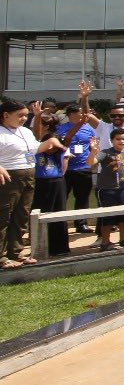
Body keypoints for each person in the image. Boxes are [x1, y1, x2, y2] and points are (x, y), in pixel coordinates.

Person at [2, 99, 62, 267]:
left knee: (21, 216)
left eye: (25, 115)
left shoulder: (25, 132)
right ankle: (1, 257)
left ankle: (16, 252)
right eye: (19, 115)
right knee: (4, 217)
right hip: (8, 178)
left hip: (28, 177)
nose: (23, 118)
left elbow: (34, 149)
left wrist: (49, 143)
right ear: (5, 115)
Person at [92, 129, 124, 251]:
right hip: (105, 190)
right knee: (107, 217)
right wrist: (93, 152)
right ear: (112, 140)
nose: (121, 141)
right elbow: (91, 162)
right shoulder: (105, 153)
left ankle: (123, 239)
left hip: (121, 189)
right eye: (118, 139)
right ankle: (105, 242)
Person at [55, 100, 97, 235]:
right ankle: (59, 223)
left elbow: (93, 145)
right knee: (62, 197)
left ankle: (81, 223)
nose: (83, 115)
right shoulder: (61, 129)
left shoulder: (88, 128)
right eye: (80, 112)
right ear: (71, 114)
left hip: (83, 167)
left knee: (83, 197)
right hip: (65, 169)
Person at [33, 124, 69, 256]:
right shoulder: (36, 151)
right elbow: (36, 135)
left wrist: (59, 147)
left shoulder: (61, 153)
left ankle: (60, 248)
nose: (51, 149)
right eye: (49, 145)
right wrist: (37, 117)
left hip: (58, 184)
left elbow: (67, 141)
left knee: (59, 213)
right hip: (40, 184)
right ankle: (41, 248)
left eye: (54, 147)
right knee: (41, 214)